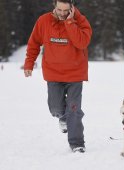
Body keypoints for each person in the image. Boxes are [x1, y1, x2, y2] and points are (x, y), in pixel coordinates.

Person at [23, 0, 92, 153]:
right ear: (54, 6)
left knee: (73, 110)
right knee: (55, 108)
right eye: (59, 9)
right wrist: (29, 64)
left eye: (65, 10)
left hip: (75, 73)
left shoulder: (81, 21)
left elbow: (82, 43)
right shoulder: (43, 21)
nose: (62, 13)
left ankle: (77, 143)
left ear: (72, 8)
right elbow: (34, 43)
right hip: (53, 73)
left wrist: (69, 22)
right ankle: (62, 117)